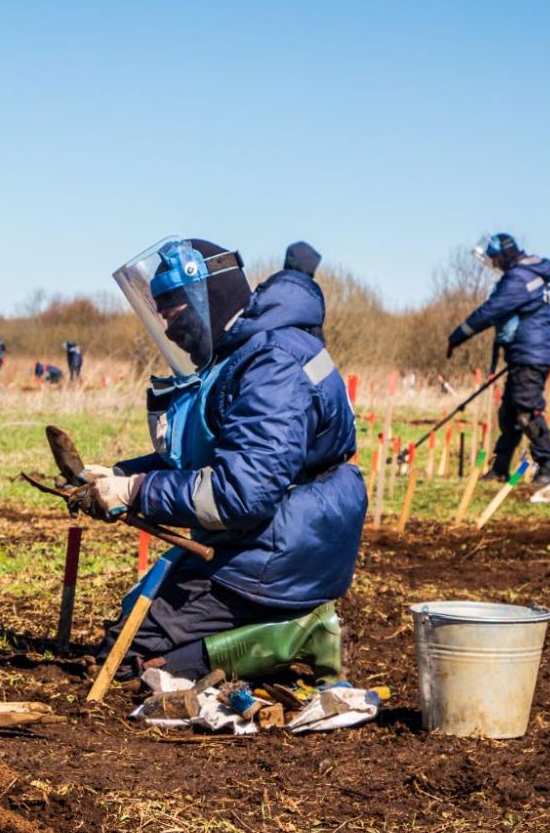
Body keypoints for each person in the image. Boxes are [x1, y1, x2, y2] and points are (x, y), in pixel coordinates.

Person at [74, 237, 360, 683]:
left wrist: (135, 492)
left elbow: (241, 494)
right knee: (131, 622)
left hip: (282, 554)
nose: (168, 331)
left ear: (203, 298)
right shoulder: (245, 350)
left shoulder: (272, 367)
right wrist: (121, 475)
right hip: (261, 541)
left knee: (126, 663)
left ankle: (293, 635)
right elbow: (216, 454)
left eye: (171, 313)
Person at [446, 233, 550, 483]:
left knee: (526, 411)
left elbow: (490, 311)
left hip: (529, 354)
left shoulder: (518, 278)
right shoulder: (536, 274)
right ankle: (500, 469)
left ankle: (546, 467)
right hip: (527, 352)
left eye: (495, 259)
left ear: (503, 255)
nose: (494, 265)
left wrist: (456, 337)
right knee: (509, 414)